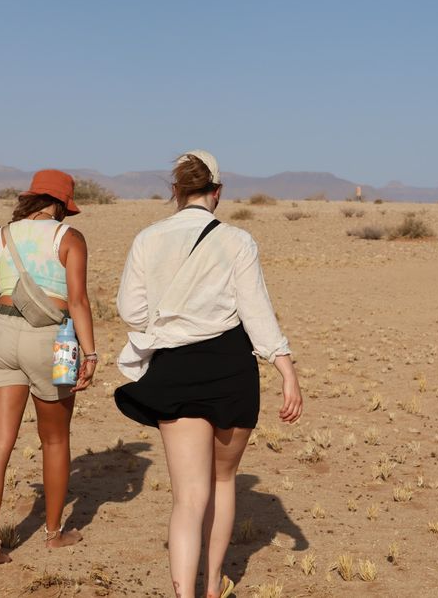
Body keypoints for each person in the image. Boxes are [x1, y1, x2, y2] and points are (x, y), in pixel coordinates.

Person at [114, 151, 303, 598]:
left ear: (175, 192)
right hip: (230, 367)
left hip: (175, 367)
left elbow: (131, 310)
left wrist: (167, 323)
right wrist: (286, 370)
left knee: (187, 498)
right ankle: (213, 586)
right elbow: (256, 312)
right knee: (222, 481)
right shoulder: (237, 240)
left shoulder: (148, 238)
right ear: (218, 192)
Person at [0, 169, 97, 569]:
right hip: (56, 341)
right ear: (60, 203)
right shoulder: (69, 238)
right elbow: (77, 302)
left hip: (1, 337)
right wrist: (90, 355)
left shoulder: (0, 237)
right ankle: (54, 534)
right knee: (56, 440)